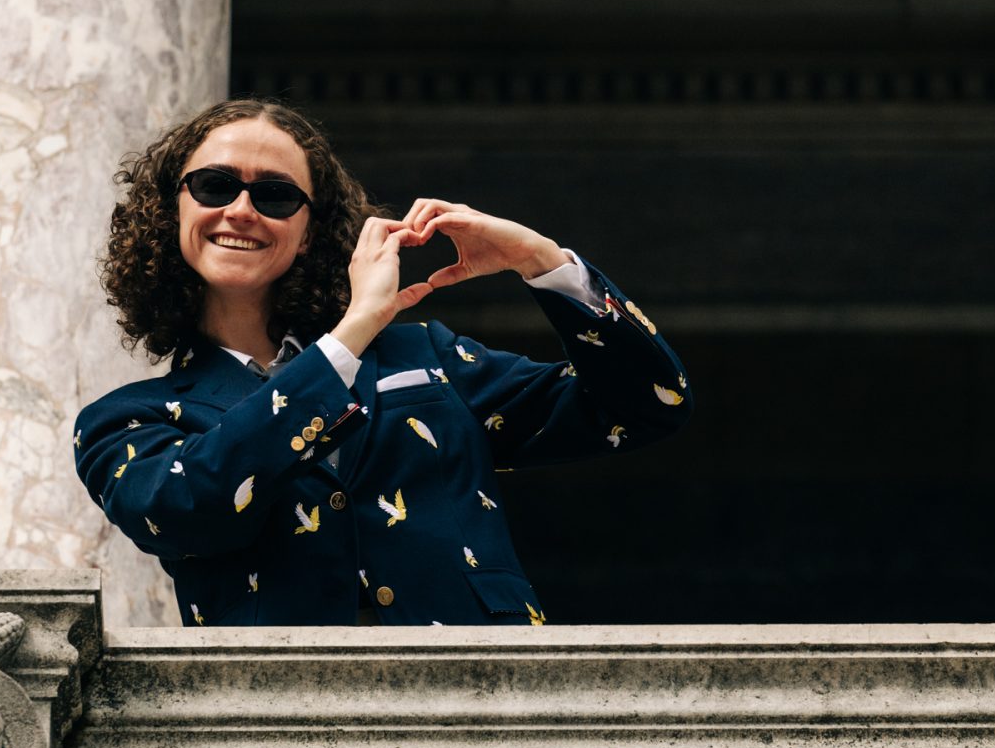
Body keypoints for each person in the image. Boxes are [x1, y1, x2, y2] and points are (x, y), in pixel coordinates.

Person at [74, 97, 693, 628]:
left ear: (310, 231)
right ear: (172, 211)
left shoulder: (428, 357)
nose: (241, 209)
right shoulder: (124, 421)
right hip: (279, 716)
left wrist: (541, 260)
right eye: (215, 185)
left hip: (483, 697)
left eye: (275, 195)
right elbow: (182, 510)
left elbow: (648, 403)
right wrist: (354, 330)